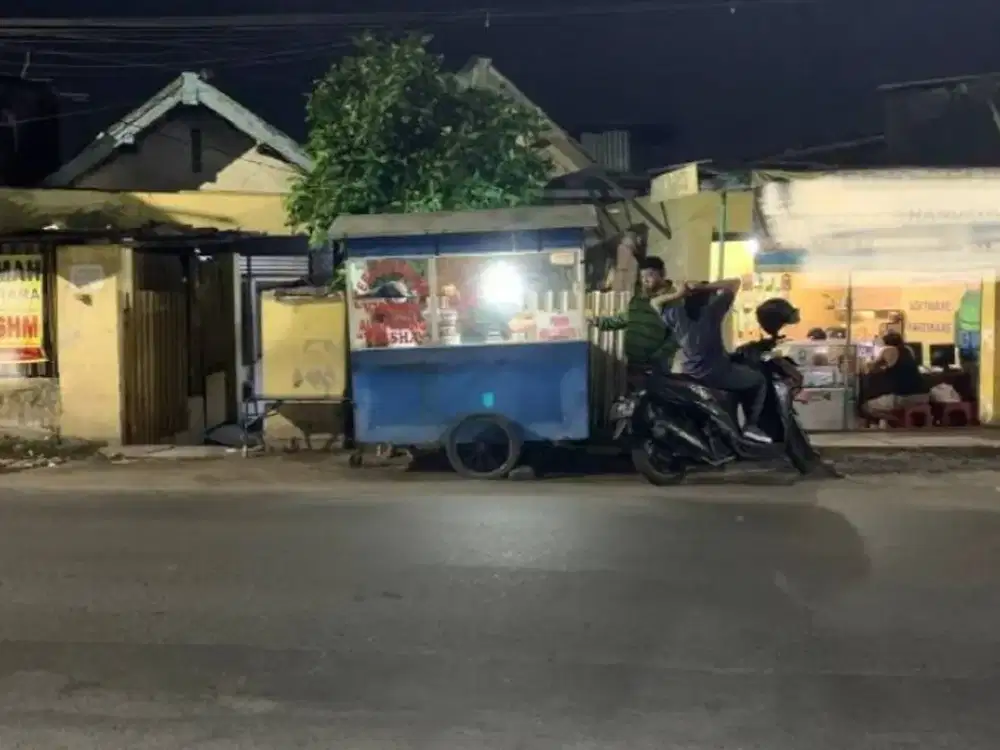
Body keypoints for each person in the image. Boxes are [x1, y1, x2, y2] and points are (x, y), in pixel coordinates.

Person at [662, 277, 773, 444]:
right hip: (715, 373)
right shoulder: (711, 311)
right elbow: (735, 283)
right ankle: (751, 425)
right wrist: (703, 286)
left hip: (689, 374)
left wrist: (680, 292)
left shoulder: (676, 315)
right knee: (758, 380)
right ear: (706, 297)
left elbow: (655, 303)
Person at [588, 256, 686, 382]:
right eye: (642, 276)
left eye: (650, 275)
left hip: (655, 369)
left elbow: (677, 335)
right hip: (633, 365)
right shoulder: (639, 298)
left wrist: (656, 357)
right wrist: (598, 322)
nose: (645, 280)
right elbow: (625, 318)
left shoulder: (673, 300)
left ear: (662, 274)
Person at [861, 331, 929, 421]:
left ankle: (895, 422)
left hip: (904, 398)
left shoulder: (888, 350)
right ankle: (899, 420)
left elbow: (872, 367)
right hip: (924, 396)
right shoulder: (908, 350)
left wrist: (867, 363)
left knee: (866, 407)